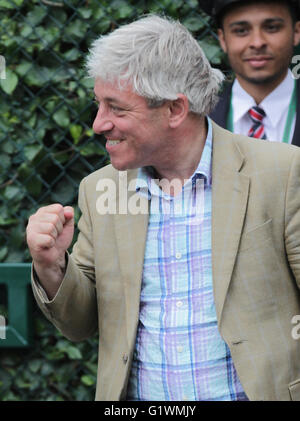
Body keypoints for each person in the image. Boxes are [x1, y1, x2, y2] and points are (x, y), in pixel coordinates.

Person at [26, 15, 300, 401]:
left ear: (174, 109)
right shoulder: (99, 190)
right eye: (98, 104)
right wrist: (52, 265)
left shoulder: (282, 173)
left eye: (116, 108)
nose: (98, 124)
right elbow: (80, 322)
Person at [199, 0, 300, 144]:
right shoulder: (200, 121)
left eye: (271, 28)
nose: (257, 43)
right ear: (222, 39)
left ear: (296, 32)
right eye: (241, 31)